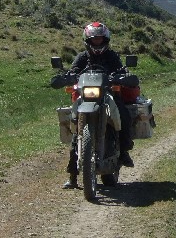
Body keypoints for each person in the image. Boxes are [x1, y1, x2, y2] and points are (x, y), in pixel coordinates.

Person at [53, 21, 134, 189]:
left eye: (100, 39)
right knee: (77, 129)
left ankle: (124, 151)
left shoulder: (112, 56)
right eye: (94, 40)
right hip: (86, 97)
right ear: (87, 40)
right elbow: (74, 70)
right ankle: (73, 175)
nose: (97, 43)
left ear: (105, 40)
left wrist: (123, 76)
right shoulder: (82, 57)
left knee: (123, 114)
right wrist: (66, 76)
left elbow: (121, 70)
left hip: (108, 93)